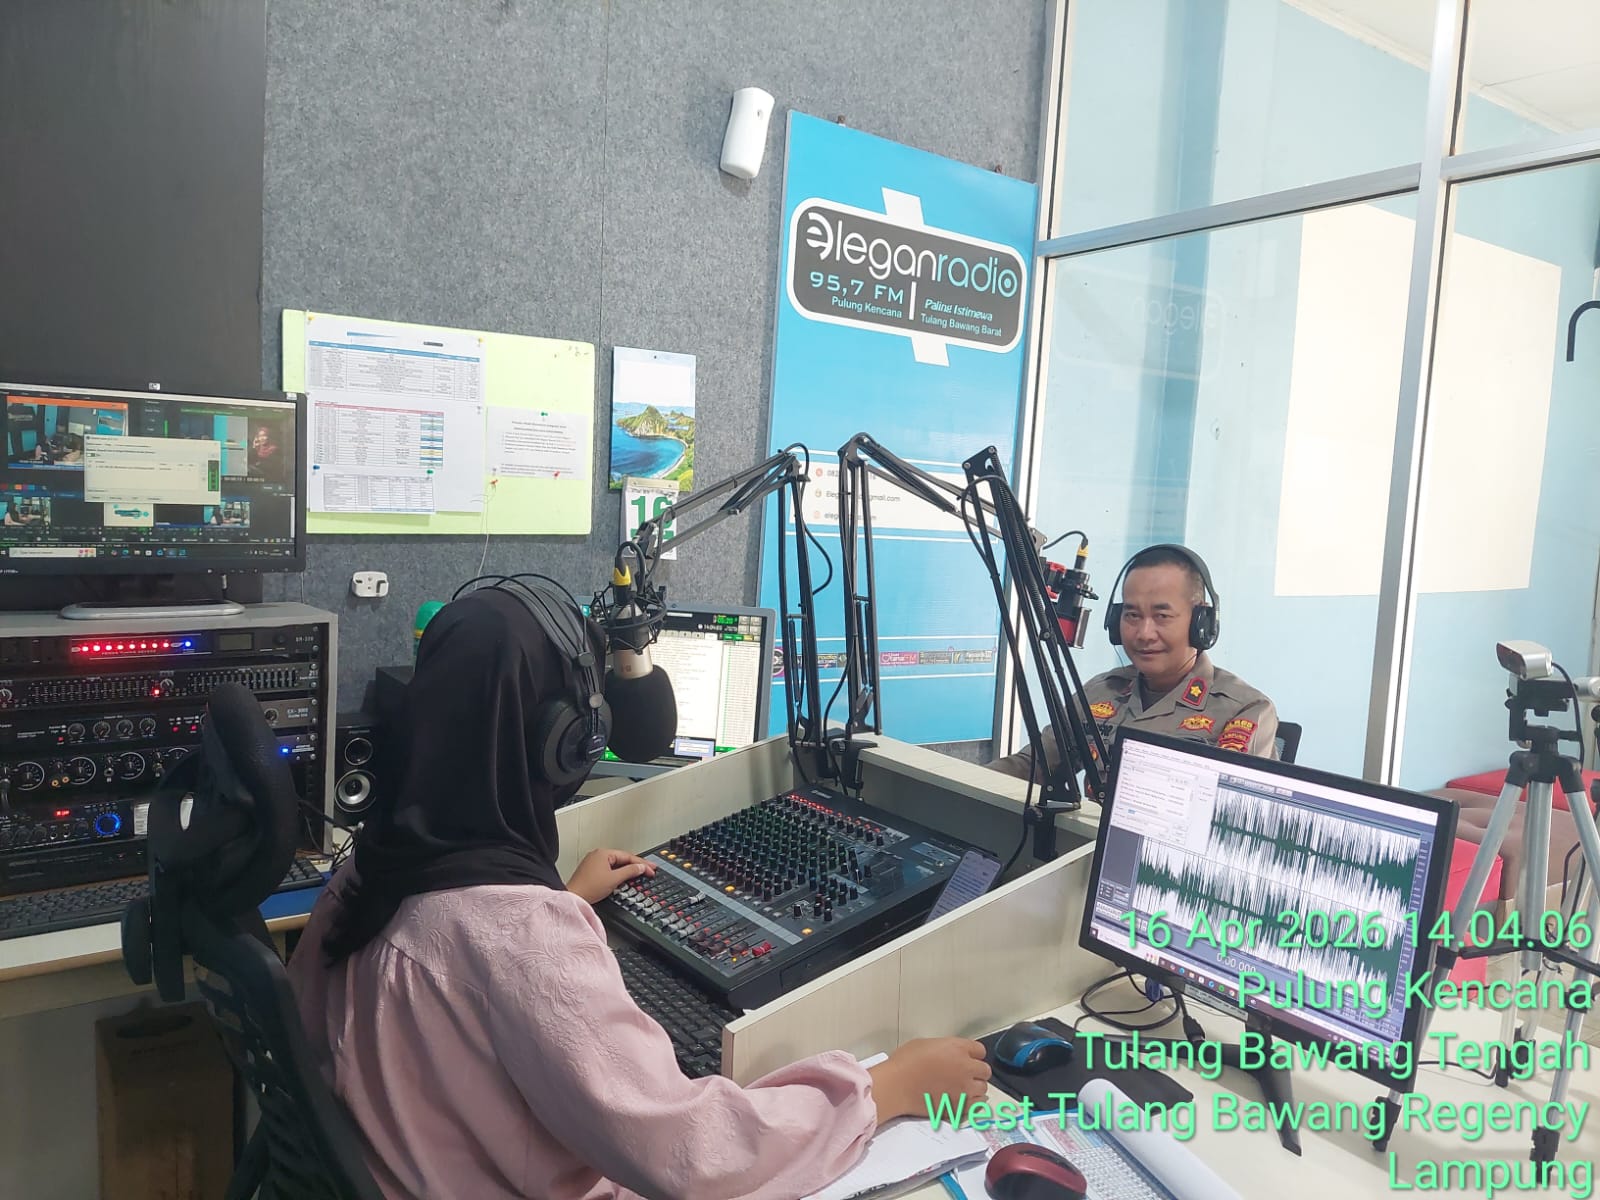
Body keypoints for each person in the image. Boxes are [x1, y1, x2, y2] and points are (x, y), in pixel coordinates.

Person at [288, 587, 990, 1200]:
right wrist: (884, 1089)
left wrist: (562, 901)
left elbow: (452, 970)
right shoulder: (521, 940)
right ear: (563, 743)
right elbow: (694, 1155)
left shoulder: (369, 870)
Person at [990, 544, 1278, 784]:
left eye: (1162, 616)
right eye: (1132, 615)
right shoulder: (1100, 692)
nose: (1144, 634)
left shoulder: (1245, 709)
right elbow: (1034, 765)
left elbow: (1222, 813)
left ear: (1201, 623)